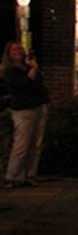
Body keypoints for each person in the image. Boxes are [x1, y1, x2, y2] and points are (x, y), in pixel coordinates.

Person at [2, 42, 50, 189]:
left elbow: (39, 83)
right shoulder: (10, 71)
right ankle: (13, 176)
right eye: (14, 50)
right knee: (21, 143)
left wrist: (34, 68)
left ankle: (29, 174)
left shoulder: (28, 66)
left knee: (35, 144)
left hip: (38, 107)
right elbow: (24, 85)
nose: (18, 52)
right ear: (9, 54)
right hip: (23, 110)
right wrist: (33, 69)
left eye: (19, 49)